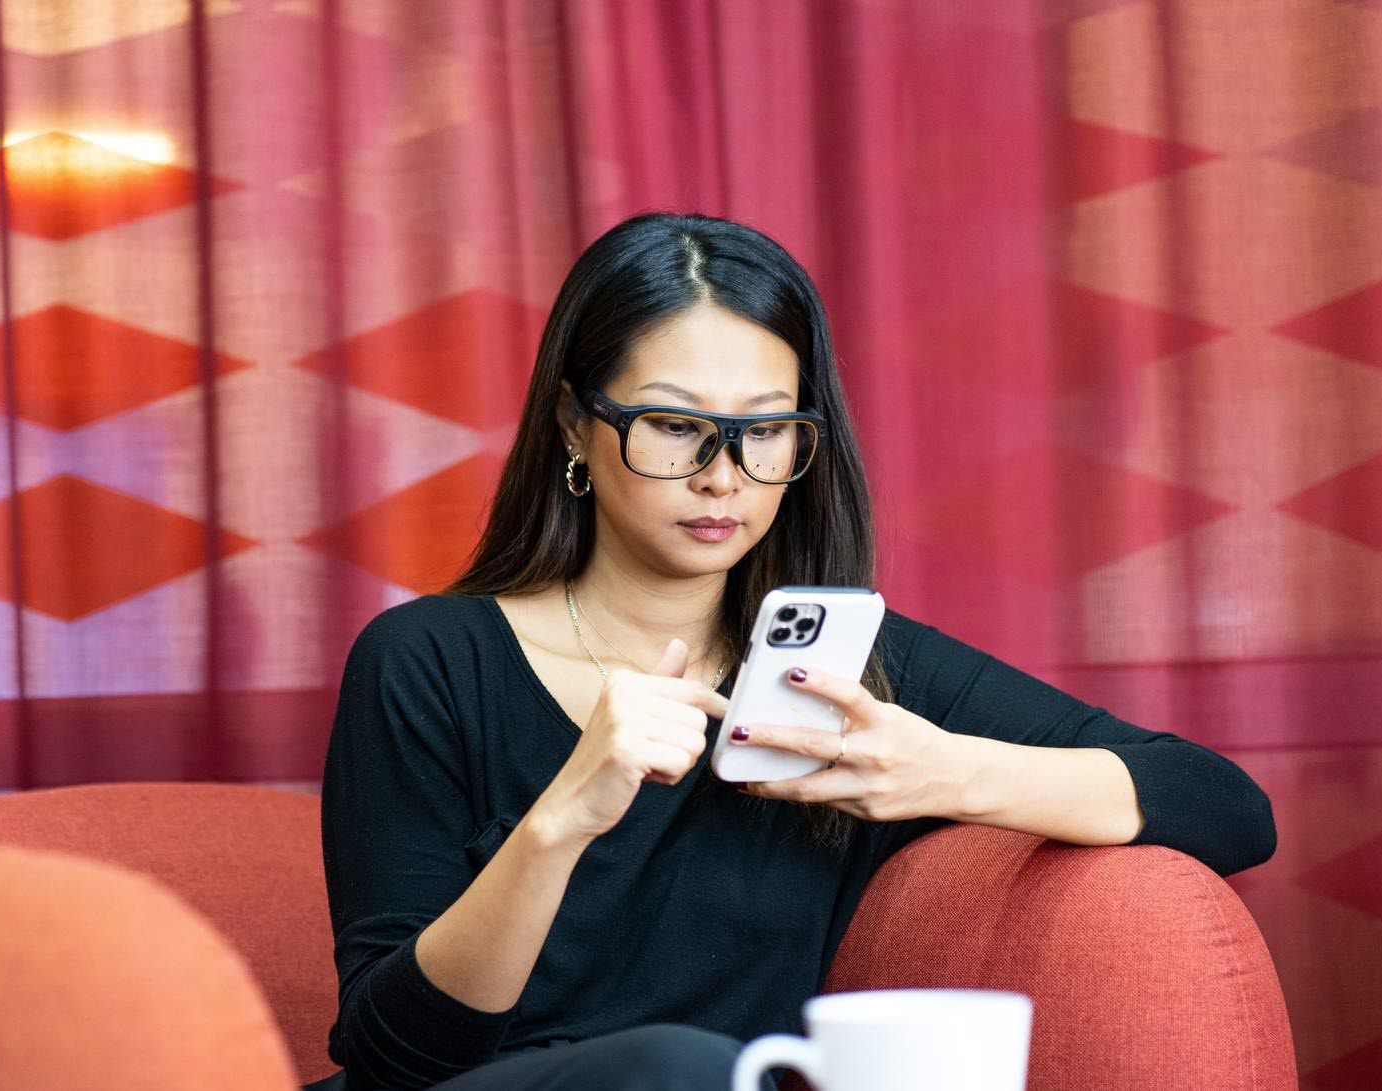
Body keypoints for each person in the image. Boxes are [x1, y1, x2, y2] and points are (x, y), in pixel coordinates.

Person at [313, 212, 1276, 1091]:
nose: (724, 475)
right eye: (677, 426)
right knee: (679, 1066)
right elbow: (394, 1055)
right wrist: (562, 819)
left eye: (765, 431)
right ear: (576, 422)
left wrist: (939, 770)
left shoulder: (849, 674)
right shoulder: (427, 659)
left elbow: (1224, 804)